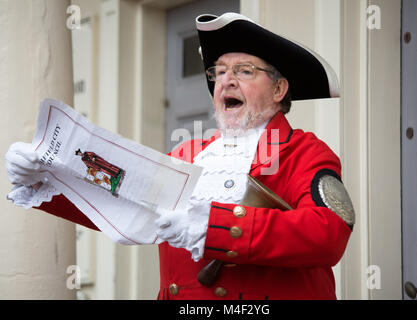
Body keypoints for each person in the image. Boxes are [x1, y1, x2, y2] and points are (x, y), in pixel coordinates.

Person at [5, 12, 354, 300]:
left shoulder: (304, 152)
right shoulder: (189, 152)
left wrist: (219, 227)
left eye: (244, 71)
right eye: (218, 72)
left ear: (279, 89)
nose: (225, 82)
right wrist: (48, 178)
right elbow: (124, 204)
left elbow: (329, 233)